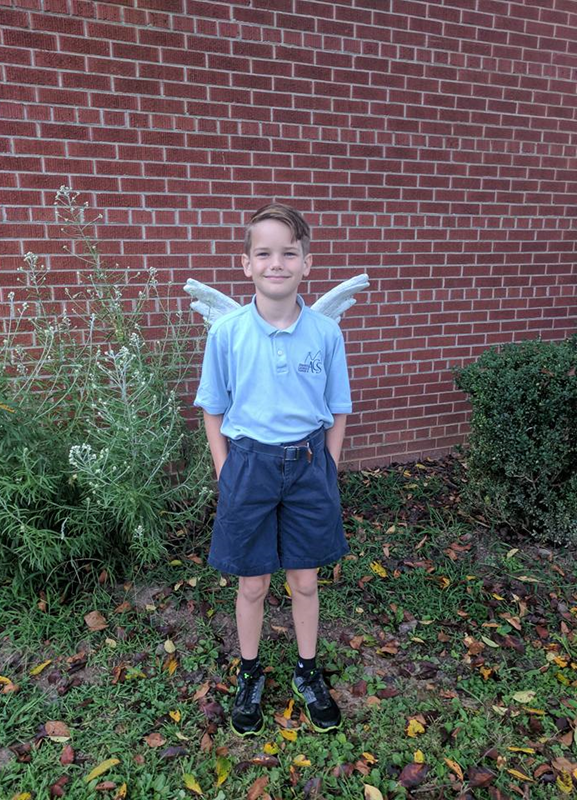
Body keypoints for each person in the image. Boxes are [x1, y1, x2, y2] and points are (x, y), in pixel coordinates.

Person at [194, 203, 352, 736]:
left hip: (309, 464)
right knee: (254, 583)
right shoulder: (229, 333)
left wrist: (328, 467)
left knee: (305, 580)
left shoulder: (326, 334)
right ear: (246, 264)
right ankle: (250, 672)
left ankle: (308, 674)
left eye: (289, 253)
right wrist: (224, 469)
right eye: (264, 253)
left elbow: (338, 407)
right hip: (249, 464)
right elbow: (213, 407)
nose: (276, 263)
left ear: (307, 264)